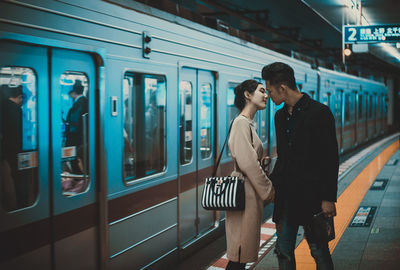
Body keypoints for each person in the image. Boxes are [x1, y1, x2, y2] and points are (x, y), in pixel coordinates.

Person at [262, 62, 339, 270]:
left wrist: (328, 198)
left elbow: (330, 158)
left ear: (283, 88)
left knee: (319, 250)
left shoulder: (319, 113)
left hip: (313, 197)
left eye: (270, 90)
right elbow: (285, 157)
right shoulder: (279, 117)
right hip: (286, 196)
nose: (268, 95)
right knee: (284, 250)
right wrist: (271, 186)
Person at [226, 79, 274, 270]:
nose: (266, 95)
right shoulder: (240, 123)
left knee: (241, 255)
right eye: (261, 91)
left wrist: (261, 162)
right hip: (243, 194)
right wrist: (269, 191)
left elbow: (249, 159)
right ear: (247, 95)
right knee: (239, 254)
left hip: (248, 193)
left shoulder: (247, 123)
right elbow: (247, 163)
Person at [0, 85, 26, 210]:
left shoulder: (3, 106)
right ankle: (20, 207)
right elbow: (19, 133)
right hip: (14, 151)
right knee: (17, 181)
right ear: (20, 97)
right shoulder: (15, 110)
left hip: (5, 151)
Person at [64, 80, 88, 174]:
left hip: (76, 139)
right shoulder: (86, 101)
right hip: (82, 138)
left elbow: (74, 124)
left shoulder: (79, 103)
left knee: (75, 161)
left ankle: (77, 179)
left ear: (74, 93)